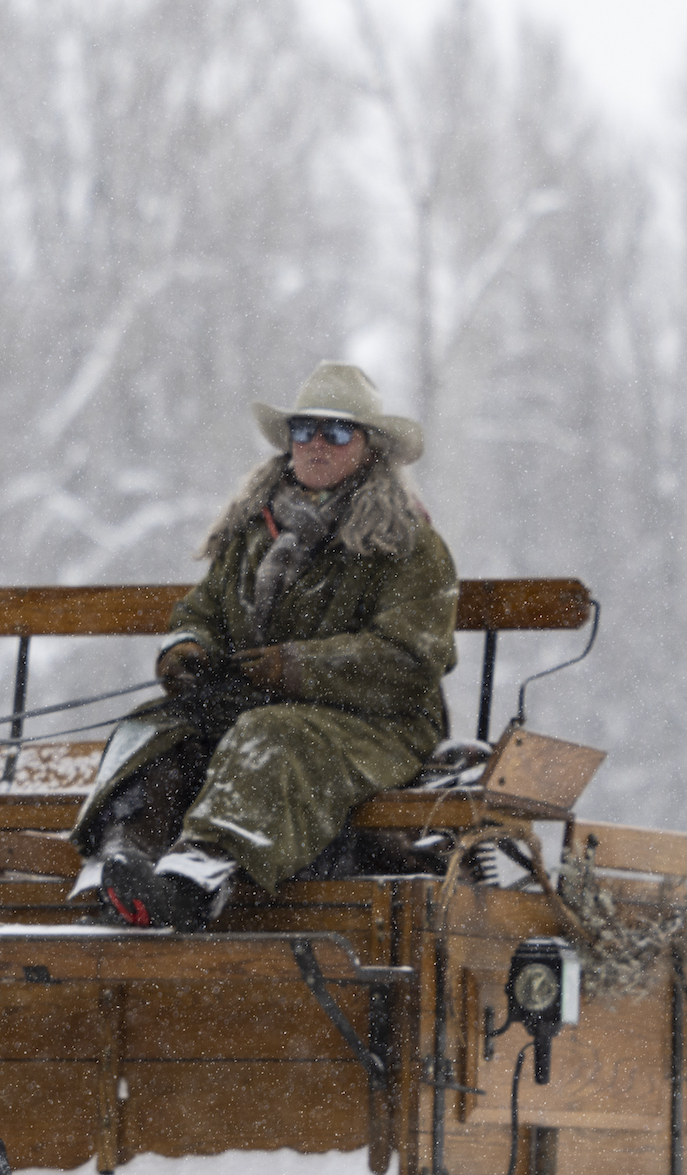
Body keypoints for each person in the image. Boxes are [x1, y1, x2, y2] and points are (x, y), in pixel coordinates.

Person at [69, 361, 460, 928]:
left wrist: (297, 668)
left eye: (338, 432)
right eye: (304, 430)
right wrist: (187, 649)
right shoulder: (254, 531)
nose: (316, 445)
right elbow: (201, 610)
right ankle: (122, 869)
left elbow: (411, 658)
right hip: (260, 708)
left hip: (381, 727)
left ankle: (191, 885)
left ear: (370, 448)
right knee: (154, 730)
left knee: (270, 735)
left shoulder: (409, 544)